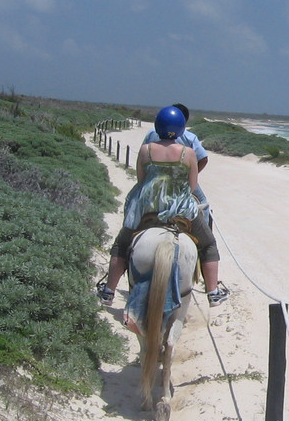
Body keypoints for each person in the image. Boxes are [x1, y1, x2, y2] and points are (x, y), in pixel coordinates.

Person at [98, 106, 229, 307]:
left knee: (121, 245)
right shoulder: (189, 153)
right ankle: (213, 292)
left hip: (147, 207)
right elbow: (192, 185)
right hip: (180, 209)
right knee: (208, 244)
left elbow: (140, 179)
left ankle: (109, 291)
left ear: (157, 126)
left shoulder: (146, 150)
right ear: (180, 128)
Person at [141, 103, 211, 226]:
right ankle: (207, 239)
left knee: (131, 210)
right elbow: (203, 160)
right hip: (180, 182)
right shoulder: (189, 140)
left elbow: (140, 177)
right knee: (203, 203)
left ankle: (120, 244)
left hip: (152, 182)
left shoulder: (150, 136)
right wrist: (188, 176)